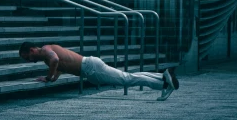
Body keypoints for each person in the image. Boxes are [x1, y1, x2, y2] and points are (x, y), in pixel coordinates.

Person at [18, 41, 179, 100]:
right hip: (90, 67)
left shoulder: (46, 51)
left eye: (27, 57)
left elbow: (55, 60)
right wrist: (53, 78)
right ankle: (162, 77)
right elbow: (59, 66)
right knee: (128, 76)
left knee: (127, 79)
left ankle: (164, 84)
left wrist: (47, 78)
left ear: (32, 50)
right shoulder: (48, 53)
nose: (28, 61)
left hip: (91, 68)